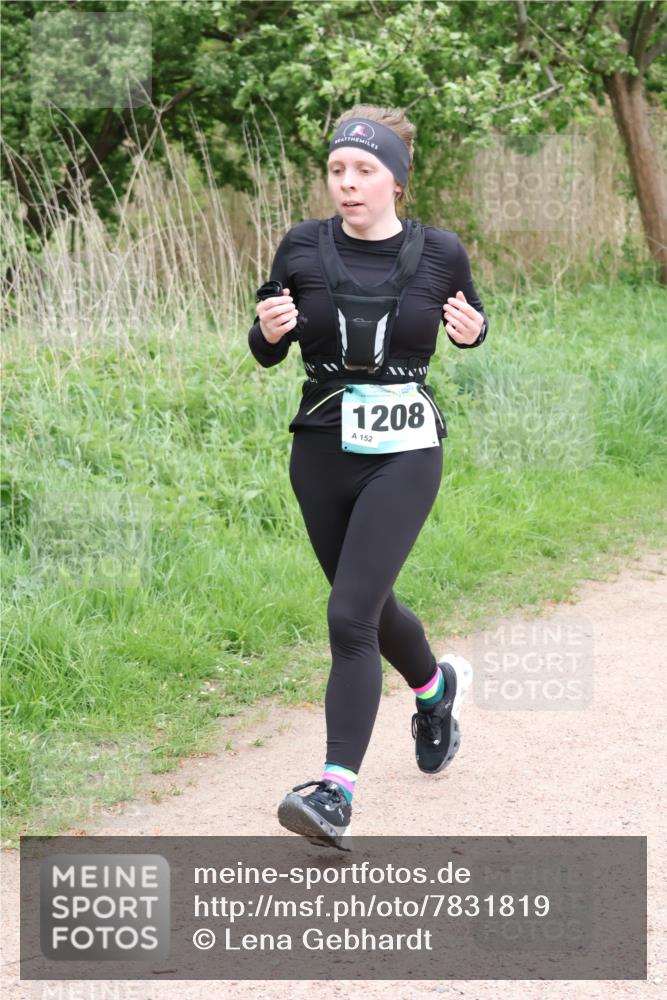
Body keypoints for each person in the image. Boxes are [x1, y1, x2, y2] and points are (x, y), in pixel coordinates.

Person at [248, 104, 488, 851]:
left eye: (363, 170)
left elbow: (472, 320)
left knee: (347, 617)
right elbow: (263, 345)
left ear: (396, 179)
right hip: (318, 450)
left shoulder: (441, 251)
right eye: (336, 171)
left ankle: (334, 792)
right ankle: (436, 690)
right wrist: (267, 332)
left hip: (405, 452)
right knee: (368, 607)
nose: (346, 184)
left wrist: (471, 331)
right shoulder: (300, 247)